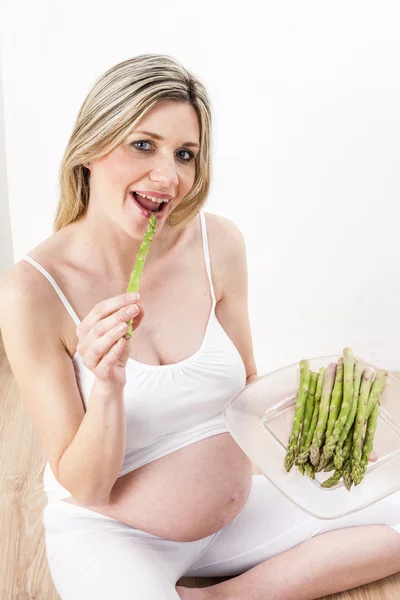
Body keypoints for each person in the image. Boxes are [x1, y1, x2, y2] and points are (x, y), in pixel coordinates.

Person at [1, 54, 400, 600]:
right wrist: (109, 387)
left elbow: (244, 390)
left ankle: (220, 595)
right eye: (143, 144)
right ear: (91, 148)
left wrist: (315, 413)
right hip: (112, 535)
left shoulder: (219, 244)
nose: (169, 176)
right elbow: (87, 485)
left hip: (228, 522)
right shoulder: (32, 291)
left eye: (184, 154)